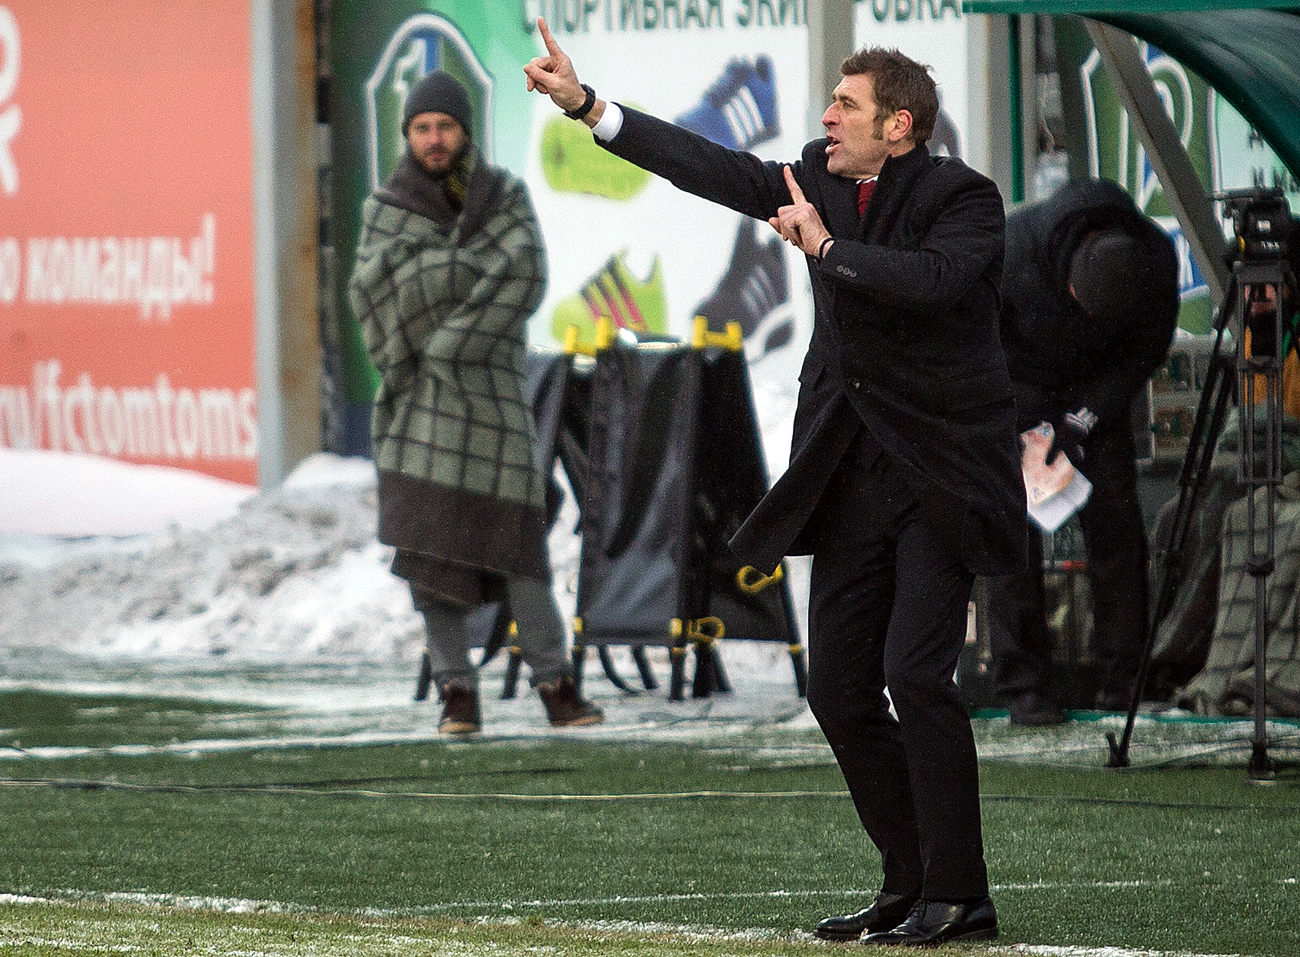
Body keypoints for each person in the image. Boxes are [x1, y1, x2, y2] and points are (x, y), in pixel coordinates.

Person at [525, 20, 1024, 946]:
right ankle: (908, 879)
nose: (827, 118)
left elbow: (933, 283)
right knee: (836, 687)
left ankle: (961, 892)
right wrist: (592, 108)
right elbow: (713, 169)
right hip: (851, 471)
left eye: (848, 106)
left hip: (943, 474)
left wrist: (827, 251)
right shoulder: (814, 175)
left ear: (901, 126)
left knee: (915, 673)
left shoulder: (966, 198)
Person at [348, 69, 603, 735]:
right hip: (417, 405)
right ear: (408, 134)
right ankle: (455, 691)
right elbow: (370, 298)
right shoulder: (385, 209)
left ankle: (556, 683)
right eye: (423, 127)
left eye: (446, 126)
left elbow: (522, 274)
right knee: (429, 550)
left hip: (491, 403)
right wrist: (457, 278)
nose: (435, 138)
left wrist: (443, 329)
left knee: (519, 551)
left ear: (466, 131)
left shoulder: (504, 196)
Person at [987, 178, 1178, 725]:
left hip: (1098, 394)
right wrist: (1022, 421)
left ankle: (1124, 685)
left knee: (1117, 530)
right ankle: (1023, 689)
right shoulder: (1013, 248)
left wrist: (1083, 418)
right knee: (1009, 537)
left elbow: (1145, 349)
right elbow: (976, 339)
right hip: (1018, 388)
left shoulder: (1153, 259)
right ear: (1067, 279)